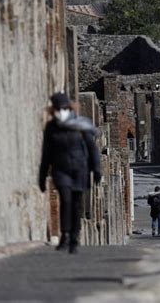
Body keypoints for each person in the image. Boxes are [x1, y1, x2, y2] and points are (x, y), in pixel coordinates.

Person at [39, 92, 101, 254]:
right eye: (59, 108)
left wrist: (97, 168)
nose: (62, 111)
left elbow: (92, 148)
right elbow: (46, 153)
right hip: (61, 170)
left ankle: (75, 236)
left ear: (70, 108)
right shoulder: (51, 128)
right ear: (54, 110)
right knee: (65, 200)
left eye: (64, 108)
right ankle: (65, 235)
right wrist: (42, 176)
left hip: (80, 170)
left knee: (76, 204)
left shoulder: (80, 126)